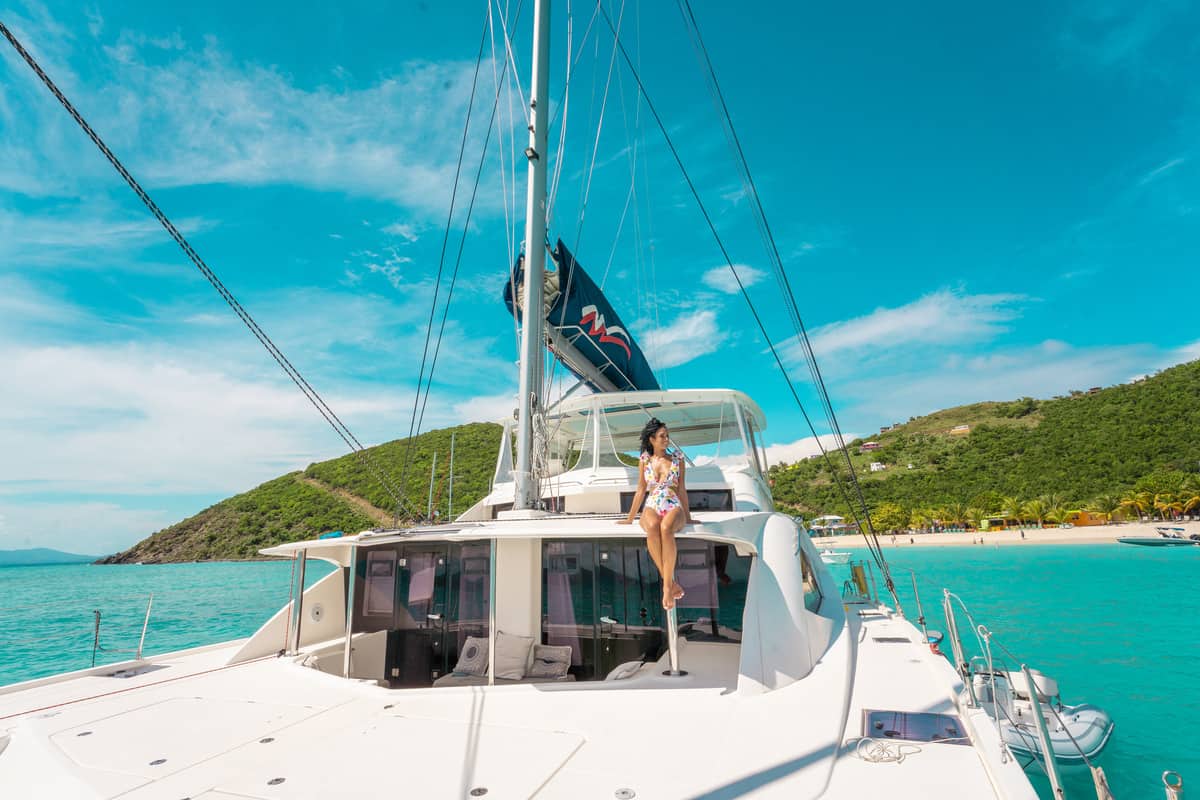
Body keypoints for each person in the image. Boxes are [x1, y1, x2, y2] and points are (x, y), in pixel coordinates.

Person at [619, 417, 693, 609]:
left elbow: (682, 489)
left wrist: (689, 516)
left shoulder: (677, 458)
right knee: (653, 527)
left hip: (672, 503)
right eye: (662, 436)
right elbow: (640, 489)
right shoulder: (644, 459)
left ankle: (666, 588)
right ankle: (669, 583)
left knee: (666, 527)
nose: (667, 439)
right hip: (652, 504)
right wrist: (629, 518)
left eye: (667, 436)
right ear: (652, 439)